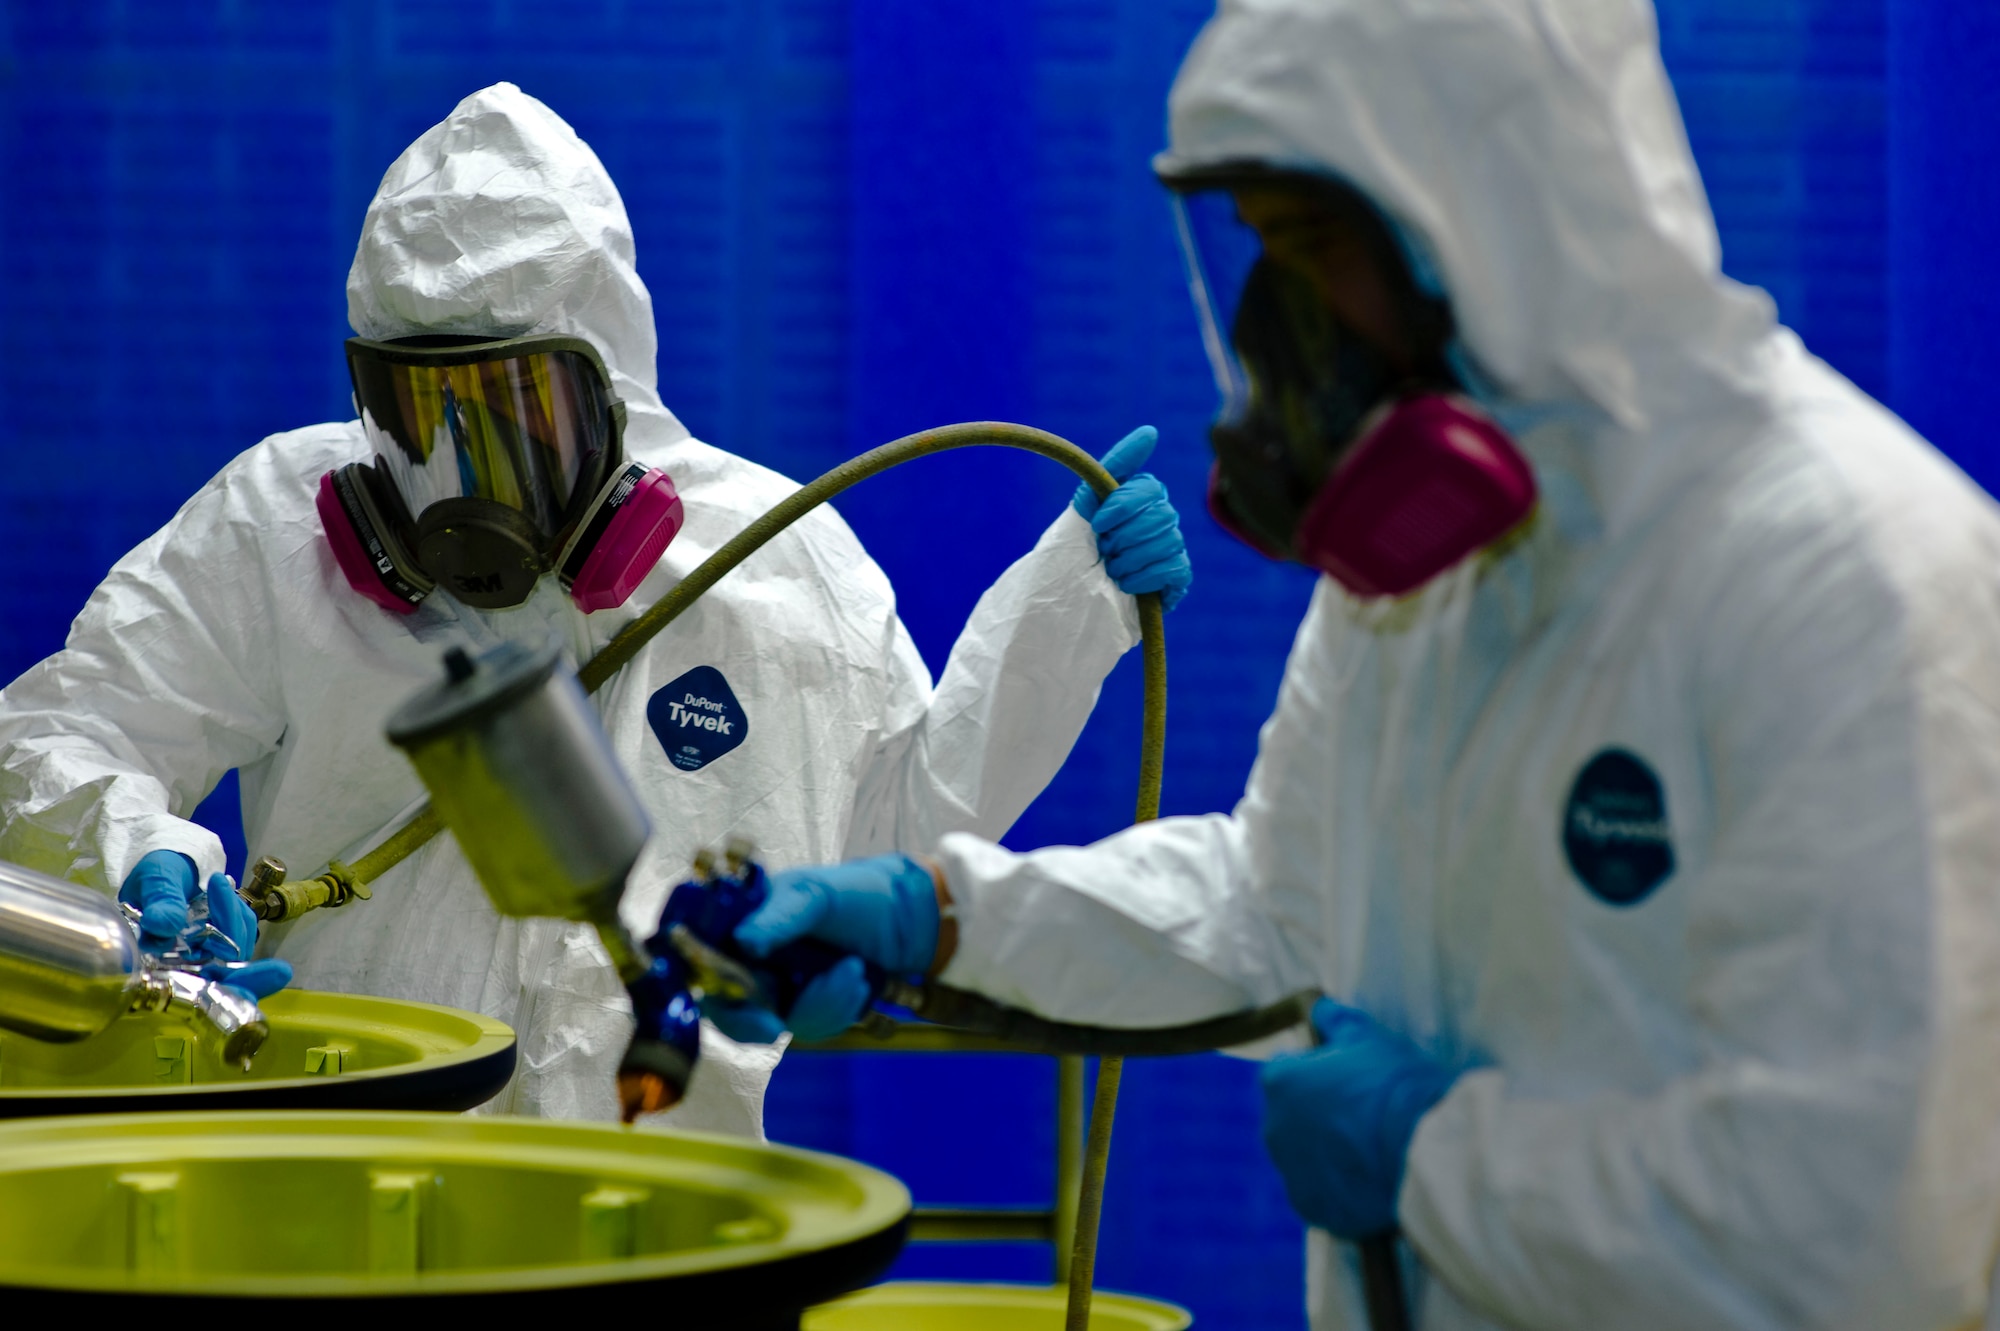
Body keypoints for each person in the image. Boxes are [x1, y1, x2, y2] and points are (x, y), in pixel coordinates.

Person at [721, 2, 2000, 1327]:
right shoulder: (1417, 582)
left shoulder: (1845, 583)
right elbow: (1281, 907)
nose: (1276, 326)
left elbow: (1866, 1238)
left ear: (1495, 228)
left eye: (1313, 247)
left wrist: (1428, 1159)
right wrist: (942, 918)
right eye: (1249, 253)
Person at [0, 82, 1191, 1134]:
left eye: (510, 409)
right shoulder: (276, 529)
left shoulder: (773, 567)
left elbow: (900, 829)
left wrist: (1067, 609)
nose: (458, 479)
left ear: (609, 381)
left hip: (654, 1202)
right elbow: (61, 730)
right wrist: (135, 846)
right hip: (346, 1167)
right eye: (417, 414)